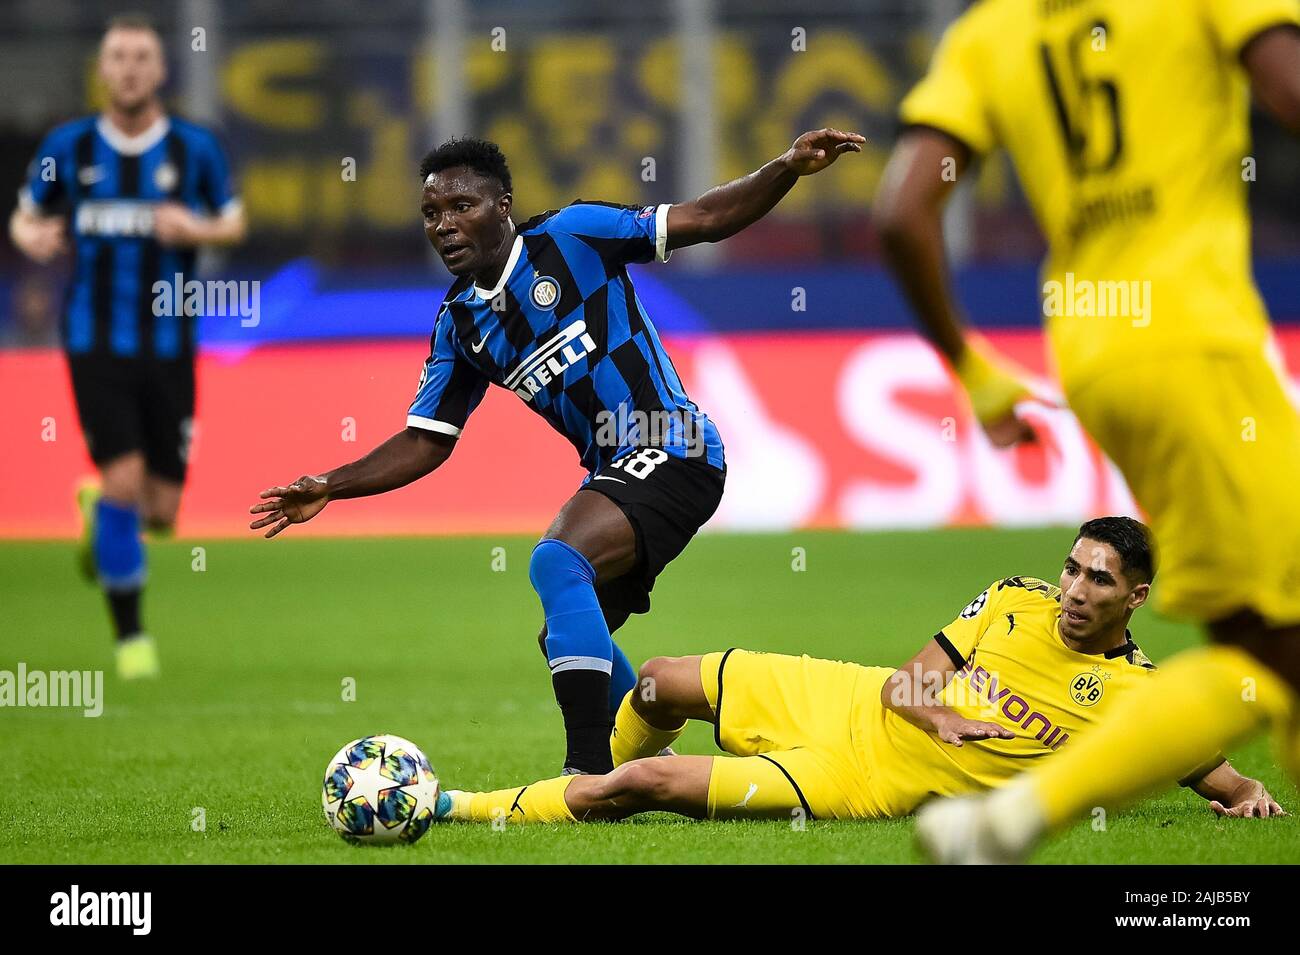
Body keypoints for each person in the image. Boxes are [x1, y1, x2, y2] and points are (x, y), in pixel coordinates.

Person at [249, 129, 864, 774]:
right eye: (432, 213)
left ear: (504, 205)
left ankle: (586, 773)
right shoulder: (461, 324)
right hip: (619, 470)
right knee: (566, 633)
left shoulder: (573, 236)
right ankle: (654, 764)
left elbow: (706, 219)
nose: (445, 226)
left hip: (675, 441)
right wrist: (330, 483)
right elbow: (426, 441)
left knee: (557, 561)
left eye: (463, 207)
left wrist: (787, 168)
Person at [868, 0, 1300, 861]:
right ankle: (1014, 819)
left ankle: (1012, 818)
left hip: (1095, 353)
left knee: (1263, 644)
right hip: (1200, 339)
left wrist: (976, 369)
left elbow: (901, 211)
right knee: (1275, 644)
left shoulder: (989, 33)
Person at [423, 519, 1281, 827]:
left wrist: (1244, 794)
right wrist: (940, 714)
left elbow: (1207, 765)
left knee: (643, 782)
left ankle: (453, 806)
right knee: (654, 681)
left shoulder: (1143, 697)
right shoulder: (1014, 599)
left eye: (1099, 579)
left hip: (858, 777)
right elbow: (907, 681)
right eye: (1072, 567)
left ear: (1136, 596)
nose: (1075, 589)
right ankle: (593, 775)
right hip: (848, 695)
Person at [9, 14, 245, 679]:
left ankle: (99, 513)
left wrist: (193, 224)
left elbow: (234, 219)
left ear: (160, 69)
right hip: (94, 340)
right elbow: (25, 213)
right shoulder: (70, 146)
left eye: (143, 56)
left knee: (162, 510)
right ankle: (131, 640)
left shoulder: (195, 148)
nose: (131, 68)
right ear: (103, 69)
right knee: (123, 479)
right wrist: (30, 235)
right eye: (119, 57)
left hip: (172, 344)